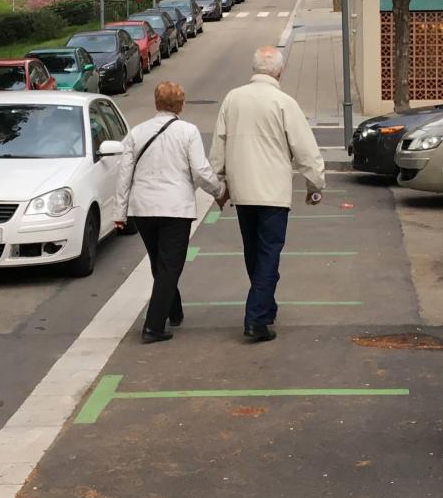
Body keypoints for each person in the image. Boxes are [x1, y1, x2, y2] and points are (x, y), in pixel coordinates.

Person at [209, 46, 326, 343]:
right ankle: (256, 319)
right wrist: (315, 185)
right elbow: (305, 149)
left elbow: (218, 146)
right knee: (269, 253)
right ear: (279, 71)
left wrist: (218, 185)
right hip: (273, 193)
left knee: (254, 253)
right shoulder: (284, 102)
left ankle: (266, 306)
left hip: (243, 191)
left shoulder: (232, 99)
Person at [115, 82, 226, 344]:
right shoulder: (188, 132)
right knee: (169, 266)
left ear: (156, 103)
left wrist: (120, 212)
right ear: (180, 105)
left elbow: (124, 175)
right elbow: (199, 171)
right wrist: (219, 191)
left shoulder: (136, 133)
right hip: (175, 208)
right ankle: (153, 326)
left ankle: (173, 311)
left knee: (159, 262)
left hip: (142, 209)